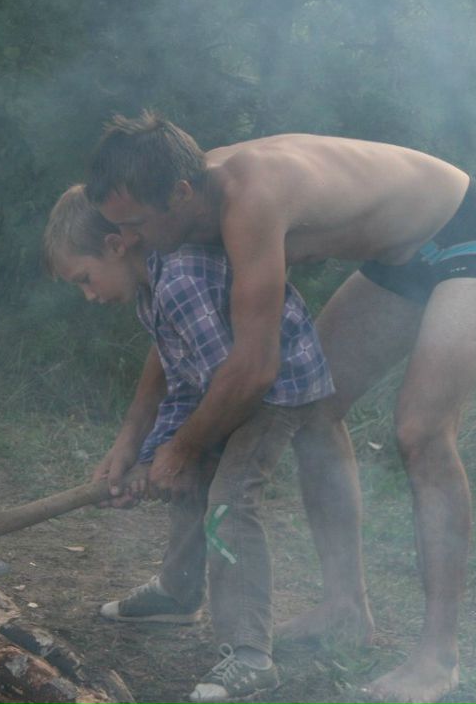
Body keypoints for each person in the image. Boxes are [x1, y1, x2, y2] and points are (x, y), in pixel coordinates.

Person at [85, 112, 476, 704]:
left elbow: (255, 367)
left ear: (180, 196)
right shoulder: (179, 191)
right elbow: (173, 333)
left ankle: (437, 657)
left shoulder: (250, 200)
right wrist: (132, 440)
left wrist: (182, 448)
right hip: (399, 261)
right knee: (316, 407)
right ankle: (345, 608)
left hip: (469, 234)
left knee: (421, 431)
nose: (128, 239)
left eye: (135, 224)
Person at [43, 185, 340, 702]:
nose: (89, 295)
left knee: (229, 500)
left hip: (275, 389)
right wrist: (153, 456)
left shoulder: (180, 281)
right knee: (188, 472)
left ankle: (251, 655)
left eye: (85, 279)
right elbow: (186, 385)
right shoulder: (152, 291)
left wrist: (177, 454)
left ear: (115, 245)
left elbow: (230, 388)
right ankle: (178, 592)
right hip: (230, 387)